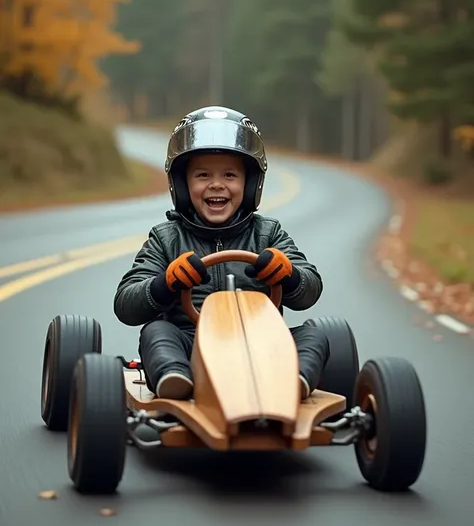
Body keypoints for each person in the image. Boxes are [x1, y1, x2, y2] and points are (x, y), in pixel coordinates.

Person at [113, 106, 330, 401]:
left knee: (315, 333)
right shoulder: (166, 238)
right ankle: (173, 379)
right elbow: (126, 304)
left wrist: (289, 274)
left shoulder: (268, 234)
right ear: (182, 185)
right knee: (156, 332)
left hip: (264, 345)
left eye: (230, 175)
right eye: (203, 175)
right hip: (191, 348)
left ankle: (295, 380)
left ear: (250, 184)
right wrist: (166, 283)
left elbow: (310, 290)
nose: (217, 184)